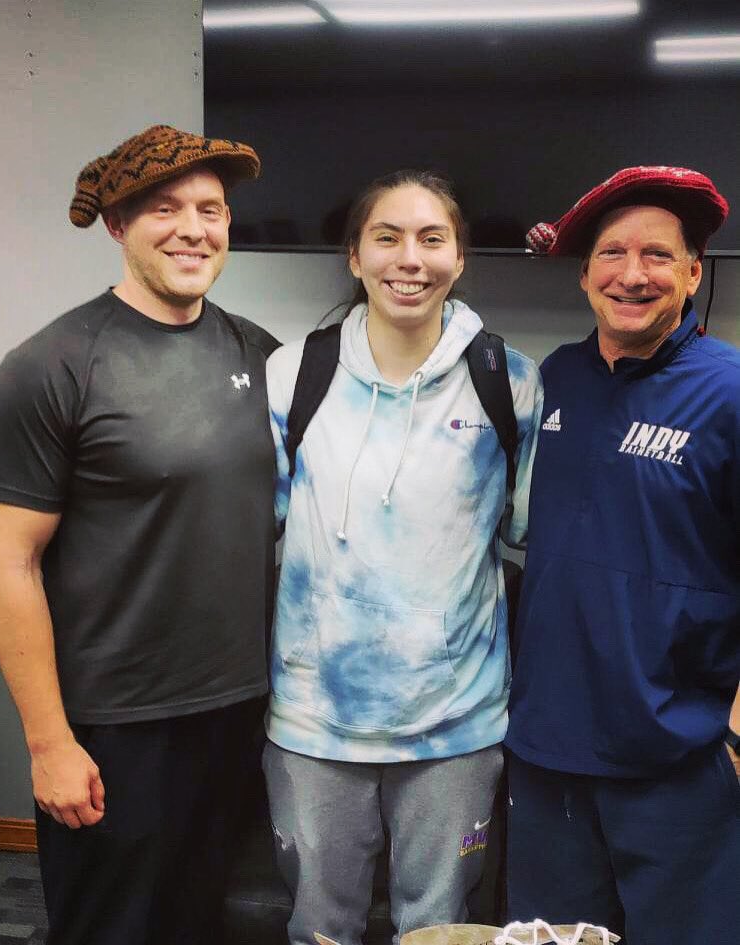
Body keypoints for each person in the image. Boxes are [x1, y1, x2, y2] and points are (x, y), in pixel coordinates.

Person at [0, 124, 280, 945]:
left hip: (235, 714)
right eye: (165, 209)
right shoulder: (52, 365)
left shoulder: (258, 353)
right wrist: (48, 742)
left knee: (204, 923)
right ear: (117, 224)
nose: (194, 228)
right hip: (113, 727)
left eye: (211, 209)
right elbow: (6, 561)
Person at [263, 170, 543, 945]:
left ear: (459, 256)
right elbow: (265, 527)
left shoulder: (509, 382)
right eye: (386, 237)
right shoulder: (294, 373)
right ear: (355, 255)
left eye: (431, 238)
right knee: (320, 925)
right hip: (316, 725)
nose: (408, 258)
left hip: (455, 727)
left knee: (441, 928)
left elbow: (526, 534)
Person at [506, 166, 740, 942]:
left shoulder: (729, 393)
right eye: (612, 253)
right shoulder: (556, 380)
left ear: (694, 271)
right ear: (583, 273)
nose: (632, 275)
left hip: (677, 763)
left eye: (658, 256)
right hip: (547, 761)